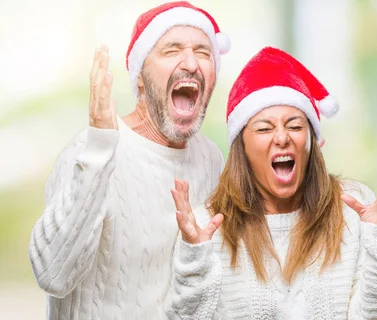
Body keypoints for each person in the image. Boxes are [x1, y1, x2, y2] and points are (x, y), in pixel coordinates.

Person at [169, 47, 377, 319]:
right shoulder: (207, 227)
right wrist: (195, 261)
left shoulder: (355, 209)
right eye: (264, 128)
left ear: (311, 141)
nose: (282, 138)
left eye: (295, 126)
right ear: (243, 147)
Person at [28, 2, 231, 319]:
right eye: (171, 50)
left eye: (204, 52)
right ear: (139, 77)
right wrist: (99, 149)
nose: (191, 62)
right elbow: (53, 275)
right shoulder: (92, 146)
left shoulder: (211, 159)